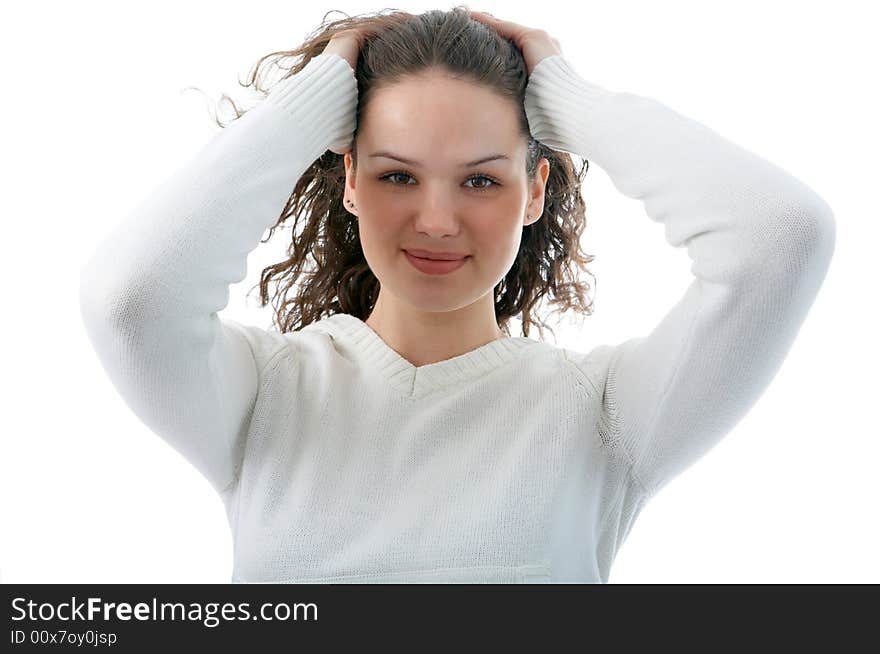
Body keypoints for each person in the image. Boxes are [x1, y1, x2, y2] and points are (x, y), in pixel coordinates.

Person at [78, 7, 836, 583]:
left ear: (536, 190)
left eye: (481, 179)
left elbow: (781, 237)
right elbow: (131, 300)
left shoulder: (607, 415)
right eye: (396, 174)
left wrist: (566, 99)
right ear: (348, 178)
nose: (437, 221)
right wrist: (315, 99)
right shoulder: (262, 395)